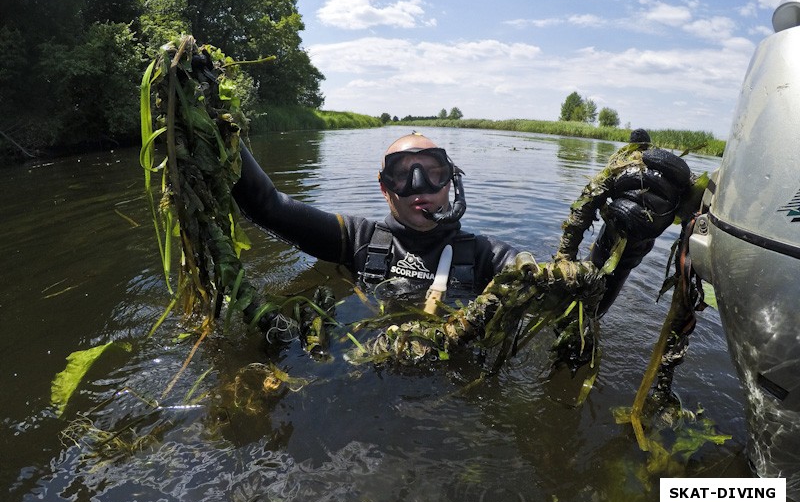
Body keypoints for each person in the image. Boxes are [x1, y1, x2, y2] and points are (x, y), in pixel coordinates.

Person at [232, 130, 690, 326]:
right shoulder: (354, 238)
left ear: (451, 183)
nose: (418, 187)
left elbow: (574, 311)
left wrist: (626, 244)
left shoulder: (489, 257)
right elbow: (267, 205)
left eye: (431, 171)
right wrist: (216, 123)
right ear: (383, 187)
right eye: (402, 173)